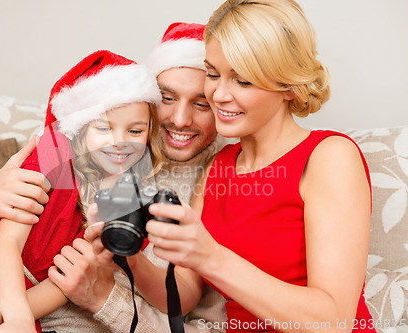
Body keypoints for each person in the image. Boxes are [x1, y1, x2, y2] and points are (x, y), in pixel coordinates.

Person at [102, 0, 375, 332]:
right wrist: (126, 253)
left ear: (288, 86)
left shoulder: (329, 156)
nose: (218, 95)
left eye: (242, 81)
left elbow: (334, 321)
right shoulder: (220, 166)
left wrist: (211, 257)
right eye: (213, 74)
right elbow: (185, 293)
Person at [0, 23, 229, 332]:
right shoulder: (86, 142)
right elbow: (0, 230)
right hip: (5, 299)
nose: (181, 120)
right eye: (167, 98)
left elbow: (188, 310)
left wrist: (105, 296)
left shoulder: (220, 179)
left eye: (201, 104)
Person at [0, 50, 164, 333]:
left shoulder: (129, 199)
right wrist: (16, 317)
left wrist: (2, 317)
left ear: (150, 133)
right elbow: (7, 245)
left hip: (18, 299)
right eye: (103, 128)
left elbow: (63, 284)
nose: (119, 142)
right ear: (80, 128)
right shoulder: (53, 152)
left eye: (136, 132)